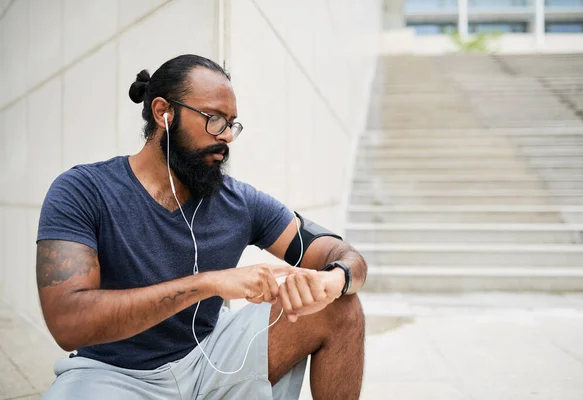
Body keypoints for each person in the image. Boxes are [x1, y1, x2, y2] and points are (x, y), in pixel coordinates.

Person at [36, 54, 367, 400]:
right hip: (113, 375)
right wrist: (208, 283)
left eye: (232, 124)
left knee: (341, 306)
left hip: (211, 359)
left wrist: (335, 278)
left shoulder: (239, 201)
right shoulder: (84, 190)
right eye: (214, 120)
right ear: (163, 112)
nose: (227, 136)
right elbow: (68, 323)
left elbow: (340, 252)